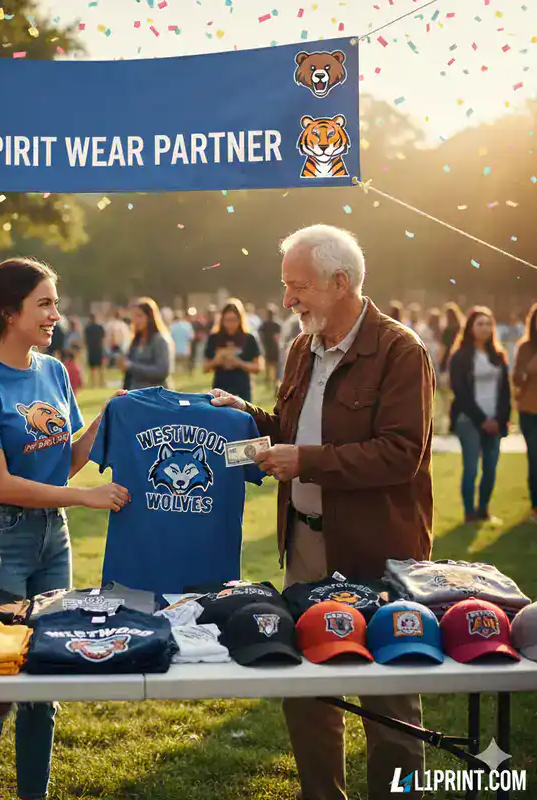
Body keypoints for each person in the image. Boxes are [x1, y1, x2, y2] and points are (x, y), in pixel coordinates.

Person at [210, 224, 434, 800]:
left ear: (341, 283)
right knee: (307, 687)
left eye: (297, 286)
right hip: (306, 546)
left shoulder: (400, 350)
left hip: (378, 551)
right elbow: (292, 433)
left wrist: (303, 459)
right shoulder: (299, 347)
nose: (287, 300)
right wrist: (247, 420)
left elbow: (400, 454)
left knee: (389, 698)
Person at [0, 257, 130, 800]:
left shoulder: (53, 371)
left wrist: (106, 416)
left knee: (47, 680)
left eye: (56, 302)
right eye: (45, 304)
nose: (57, 313)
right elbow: (1, 484)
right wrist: (88, 499)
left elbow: (64, 460)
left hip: (53, 538)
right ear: (10, 313)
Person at [449, 306, 511, 524]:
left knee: (491, 468)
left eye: (488, 324)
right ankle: (469, 514)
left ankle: (483, 509)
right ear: (470, 328)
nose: (485, 328)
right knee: (472, 467)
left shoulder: (499, 356)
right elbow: (460, 391)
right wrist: (482, 420)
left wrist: (499, 420)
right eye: (480, 324)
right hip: (469, 420)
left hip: (495, 420)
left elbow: (506, 392)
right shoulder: (460, 357)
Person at [203, 298, 263, 403]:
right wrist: (217, 361)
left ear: (240, 319)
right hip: (220, 388)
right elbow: (205, 368)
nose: (230, 324)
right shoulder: (215, 338)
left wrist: (240, 363)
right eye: (227, 320)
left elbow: (258, 367)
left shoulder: (248, 338)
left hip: (242, 389)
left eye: (234, 320)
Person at [513, 303, 537, 523]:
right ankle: (535, 507)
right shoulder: (525, 348)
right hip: (530, 411)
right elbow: (517, 379)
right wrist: (529, 369)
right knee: (535, 458)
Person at [120, 297, 173, 390]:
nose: (135, 320)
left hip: (154, 397)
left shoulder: (159, 340)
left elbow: (162, 371)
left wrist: (131, 366)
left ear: (150, 318)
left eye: (139, 316)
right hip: (136, 394)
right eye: (133, 316)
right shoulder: (136, 341)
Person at [259, 304, 282, 387]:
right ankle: (273, 381)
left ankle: (270, 380)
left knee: (269, 364)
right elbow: (278, 337)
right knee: (273, 365)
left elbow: (260, 334)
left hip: (269, 346)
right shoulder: (276, 324)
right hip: (272, 347)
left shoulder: (265, 324)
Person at [439, 302, 464, 376]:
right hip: (459, 352)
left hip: (448, 353)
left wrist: (440, 358)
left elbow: (443, 345)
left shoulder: (447, 330)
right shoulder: (460, 327)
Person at [83, 313, 106, 388]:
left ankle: (93, 384)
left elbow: (85, 339)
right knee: (100, 366)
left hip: (91, 349)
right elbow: (103, 337)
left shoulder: (87, 328)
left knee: (92, 367)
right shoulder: (100, 327)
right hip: (99, 349)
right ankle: (102, 383)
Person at [169, 310, 195, 374]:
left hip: (174, 351)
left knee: (176, 367)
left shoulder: (171, 326)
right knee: (185, 366)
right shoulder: (187, 325)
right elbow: (191, 337)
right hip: (185, 350)